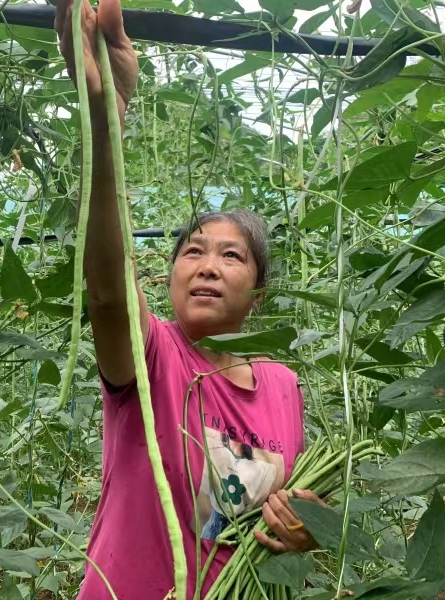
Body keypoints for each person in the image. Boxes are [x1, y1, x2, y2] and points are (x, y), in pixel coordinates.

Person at [54, 0, 325, 597]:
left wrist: (305, 525)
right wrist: (105, 122)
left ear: (258, 292)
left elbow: (283, 511)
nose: (206, 266)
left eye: (232, 256)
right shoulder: (154, 357)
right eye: (192, 251)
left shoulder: (283, 385)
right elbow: (106, 292)